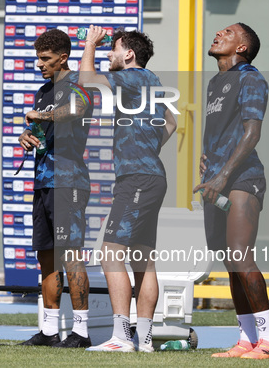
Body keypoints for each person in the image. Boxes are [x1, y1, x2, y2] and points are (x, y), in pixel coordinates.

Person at [79, 26, 177, 352]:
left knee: (110, 254)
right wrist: (148, 148)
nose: (110, 55)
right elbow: (172, 124)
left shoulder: (133, 78)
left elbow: (87, 81)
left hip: (136, 179)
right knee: (143, 260)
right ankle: (144, 340)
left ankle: (121, 338)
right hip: (151, 177)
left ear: (129, 55)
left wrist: (90, 44)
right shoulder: (154, 81)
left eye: (114, 49)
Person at [193, 23, 269, 359]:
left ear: (242, 47)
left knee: (240, 254)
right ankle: (247, 340)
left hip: (243, 178)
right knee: (230, 262)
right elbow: (220, 132)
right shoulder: (217, 82)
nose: (219, 33)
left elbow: (251, 133)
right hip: (216, 180)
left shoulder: (251, 78)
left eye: (228, 33)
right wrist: (208, 161)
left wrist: (223, 175)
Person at [18, 29, 93, 348]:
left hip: (69, 181)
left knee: (71, 256)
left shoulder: (79, 84)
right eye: (37, 57)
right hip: (43, 180)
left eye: (45, 58)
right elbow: (38, 126)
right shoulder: (42, 90)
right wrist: (26, 135)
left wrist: (41, 114)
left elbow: (76, 111)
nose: (39, 64)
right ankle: (49, 332)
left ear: (63, 58)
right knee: (45, 257)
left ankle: (81, 332)